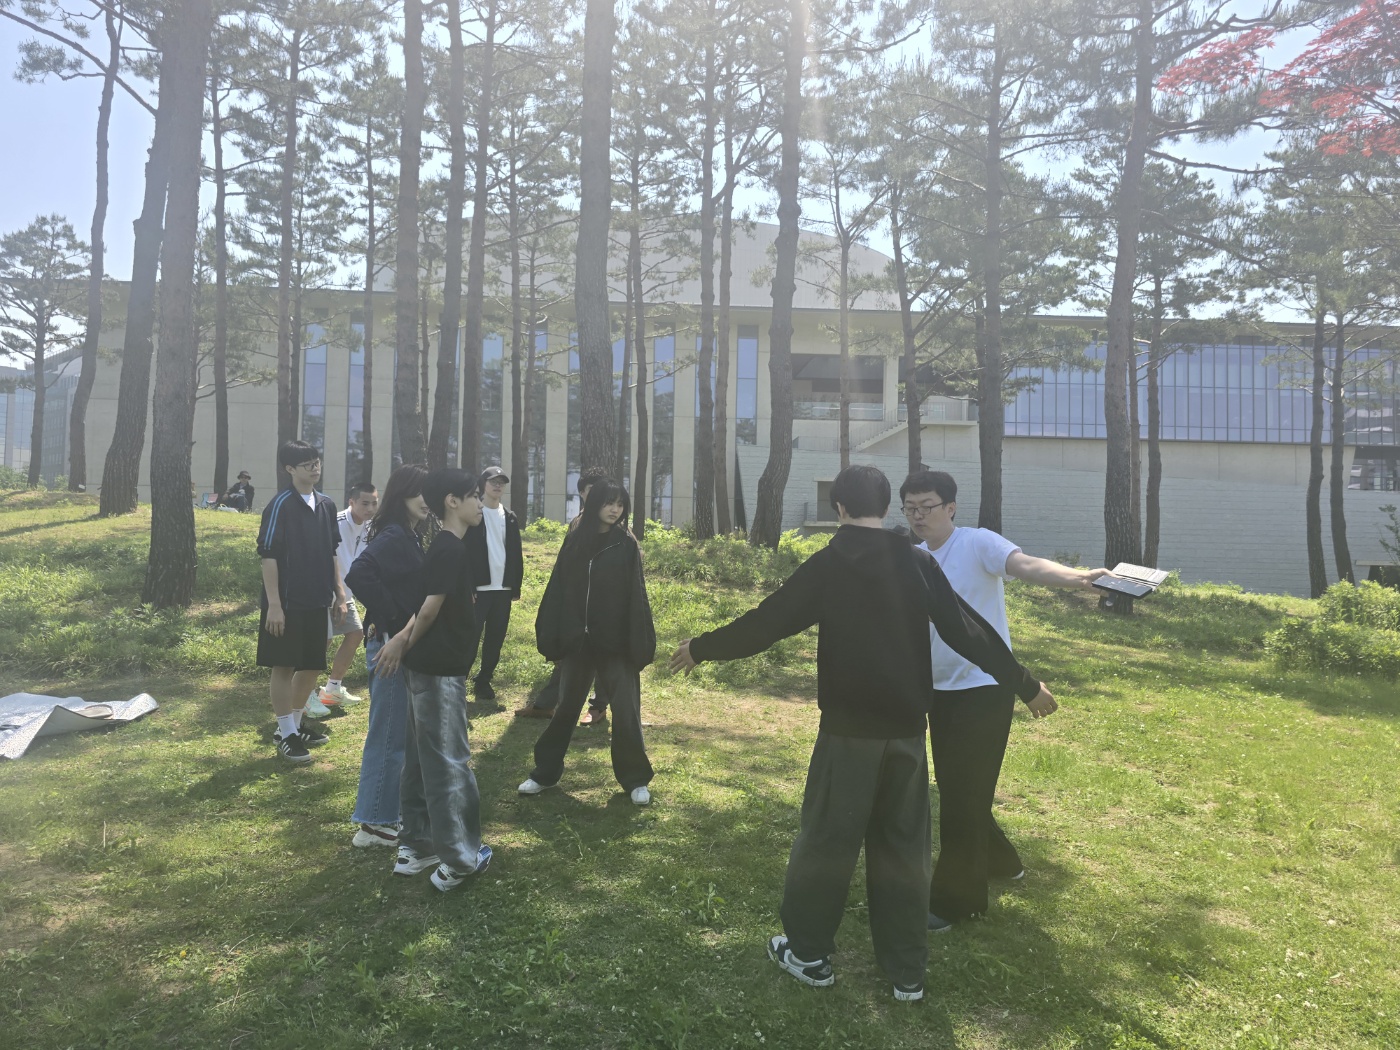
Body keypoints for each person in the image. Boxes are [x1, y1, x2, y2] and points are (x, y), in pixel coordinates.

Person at [669, 465, 1053, 1003]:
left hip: (849, 734)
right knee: (903, 851)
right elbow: (968, 630)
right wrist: (1025, 684)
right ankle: (907, 974)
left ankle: (808, 955)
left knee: (826, 842)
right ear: (888, 508)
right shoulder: (917, 560)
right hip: (906, 735)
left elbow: (767, 622)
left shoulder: (830, 563)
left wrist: (701, 647)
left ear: (840, 509)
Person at [898, 470, 1105, 931]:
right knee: (960, 788)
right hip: (937, 692)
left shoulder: (977, 543)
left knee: (962, 796)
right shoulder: (912, 558)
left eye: (927, 506)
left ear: (951, 508)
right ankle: (1002, 862)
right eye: (910, 508)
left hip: (984, 690)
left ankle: (956, 903)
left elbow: (1026, 565)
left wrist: (1079, 578)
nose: (918, 516)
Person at [374, 467, 493, 891]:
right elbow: (427, 611)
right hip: (439, 671)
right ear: (452, 502)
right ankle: (460, 859)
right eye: (474, 496)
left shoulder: (443, 547)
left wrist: (401, 642)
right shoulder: (449, 549)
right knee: (448, 763)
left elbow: (426, 606)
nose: (481, 503)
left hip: (427, 667)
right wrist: (401, 643)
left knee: (422, 760)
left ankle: (418, 845)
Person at [519, 477, 657, 806]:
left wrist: (639, 643)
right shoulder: (575, 541)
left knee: (626, 711)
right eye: (609, 502)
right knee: (566, 709)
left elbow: (637, 594)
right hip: (578, 643)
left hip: (616, 645)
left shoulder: (625, 543)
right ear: (595, 504)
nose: (615, 509)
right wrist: (553, 634)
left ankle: (635, 780)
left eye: (620, 504)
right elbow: (558, 588)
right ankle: (544, 773)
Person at [343, 465, 430, 849]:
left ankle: (384, 814)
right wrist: (392, 618)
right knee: (389, 735)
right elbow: (359, 574)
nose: (427, 501)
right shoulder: (395, 534)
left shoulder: (408, 534)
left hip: (397, 644)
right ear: (403, 495)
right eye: (420, 493)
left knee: (399, 735)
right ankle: (374, 823)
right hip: (389, 648)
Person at [255, 441, 348, 764]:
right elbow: (268, 556)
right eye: (307, 464)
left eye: (316, 462)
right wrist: (275, 605)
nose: (315, 468)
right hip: (286, 602)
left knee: (311, 665)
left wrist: (339, 593)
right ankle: (286, 732)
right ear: (290, 469)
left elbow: (332, 552)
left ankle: (293, 726)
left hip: (317, 600)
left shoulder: (326, 505)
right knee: (284, 665)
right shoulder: (280, 505)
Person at [514, 466, 609, 721]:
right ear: (582, 493)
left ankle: (598, 706)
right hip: (577, 600)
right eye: (591, 490)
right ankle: (547, 704)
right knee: (571, 652)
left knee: (603, 653)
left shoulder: (611, 522)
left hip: (602, 602)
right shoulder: (579, 522)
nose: (597, 495)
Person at [306, 481, 378, 716]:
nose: (370, 508)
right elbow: (325, 558)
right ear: (351, 502)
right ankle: (305, 695)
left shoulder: (372, 527)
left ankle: (332, 689)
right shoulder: (335, 522)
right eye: (365, 503)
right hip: (325, 592)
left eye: (374, 503)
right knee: (322, 642)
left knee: (355, 633)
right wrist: (337, 594)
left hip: (346, 593)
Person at [462, 466, 523, 704]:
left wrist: (515, 586)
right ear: (483, 484)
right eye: (493, 481)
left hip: (503, 589)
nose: (498, 486)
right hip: (479, 589)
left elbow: (516, 553)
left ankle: (484, 680)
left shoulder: (509, 516)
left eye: (501, 482)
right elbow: (464, 554)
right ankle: (458, 681)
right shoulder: (474, 514)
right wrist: (468, 586)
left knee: (495, 639)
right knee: (470, 638)